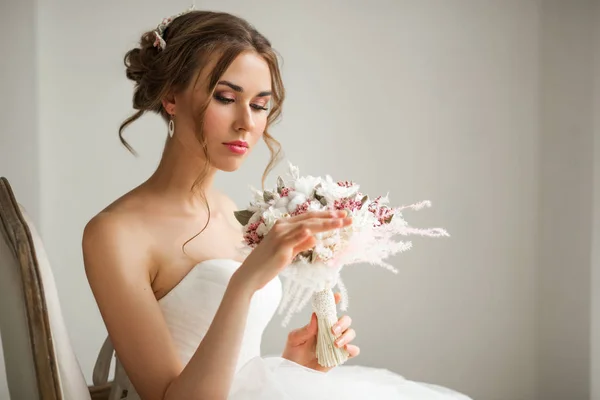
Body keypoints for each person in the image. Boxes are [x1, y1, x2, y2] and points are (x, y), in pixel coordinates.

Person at [83, 7, 472, 400]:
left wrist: (292, 366)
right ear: (171, 97)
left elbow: (230, 366)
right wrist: (244, 282)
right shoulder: (116, 233)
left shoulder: (232, 216)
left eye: (259, 105)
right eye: (225, 97)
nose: (246, 123)